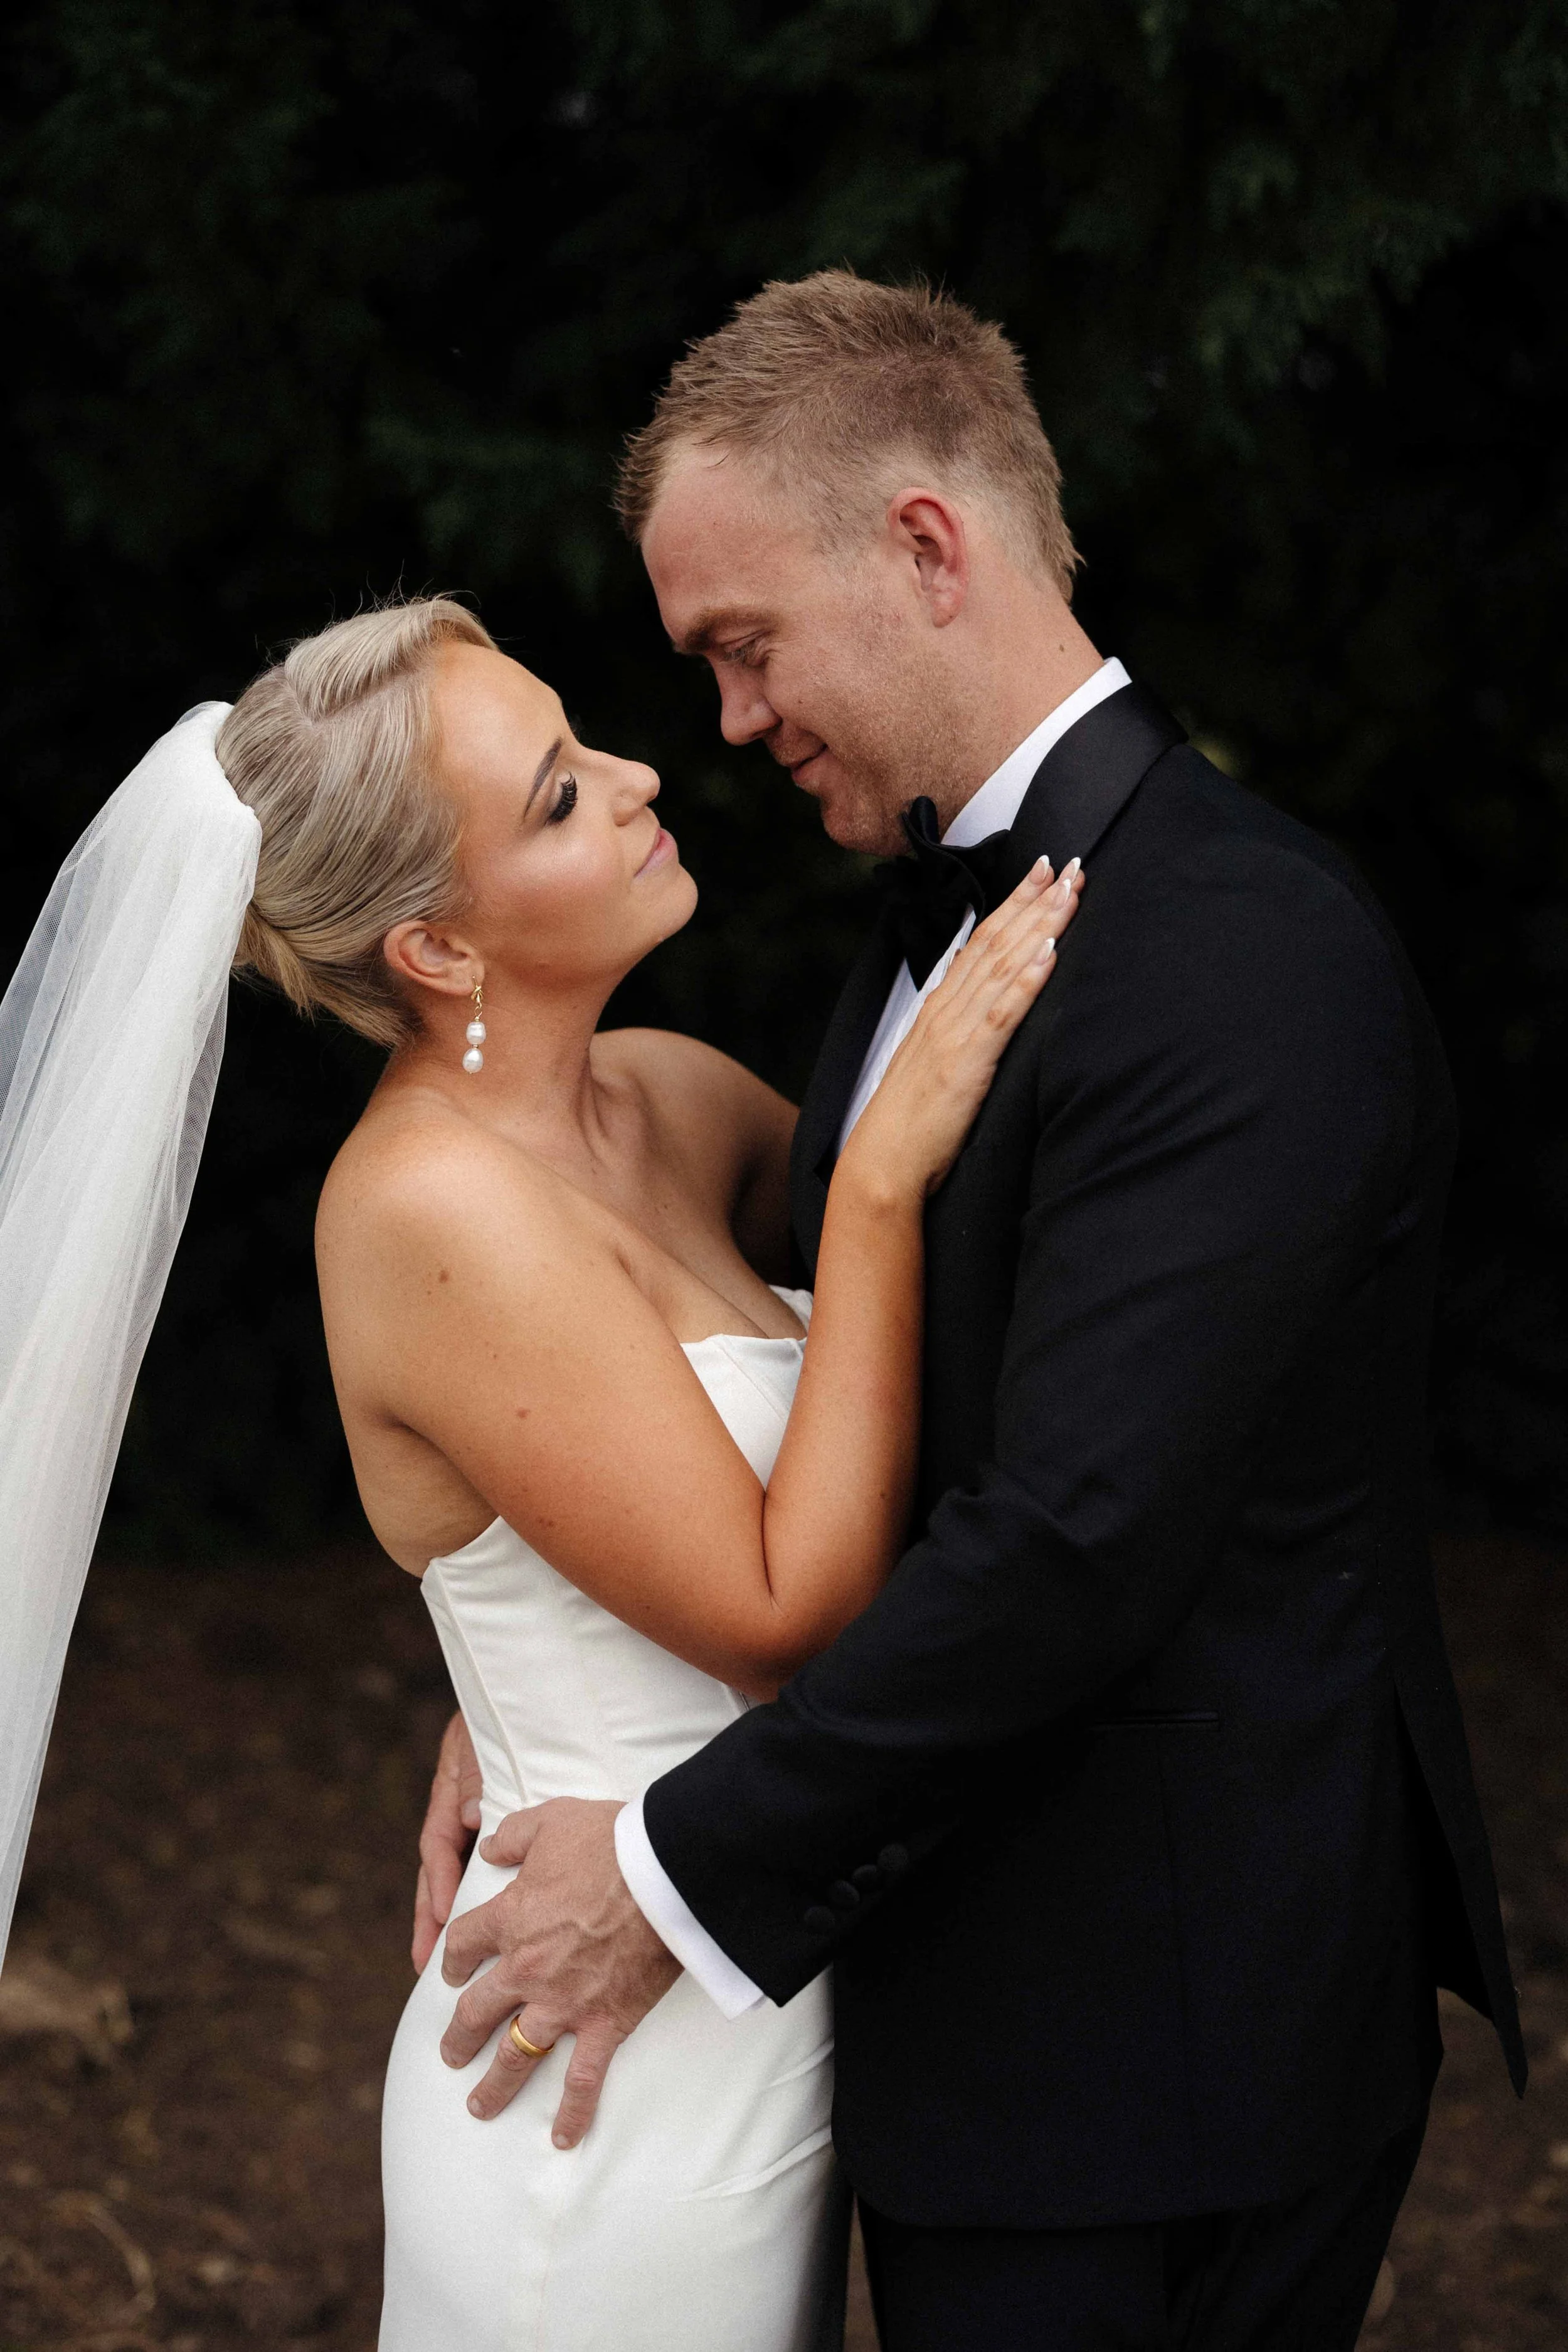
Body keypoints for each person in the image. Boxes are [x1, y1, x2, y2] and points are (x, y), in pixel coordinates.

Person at [418, 272, 1527, 2351]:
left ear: (923, 546)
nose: (727, 725)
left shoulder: (1234, 950)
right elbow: (796, 1365)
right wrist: (543, 1664)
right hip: (996, 2018)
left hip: (1163, 2044)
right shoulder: (946, 916)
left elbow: (1072, 1538)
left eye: (740, 648)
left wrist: (663, 1864)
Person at [225, 596, 1077, 2347]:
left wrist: (500, 1669)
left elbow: (930, 1354)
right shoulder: (424, 1209)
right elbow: (775, 1619)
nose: (635, 778)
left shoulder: (668, 1096)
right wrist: (867, 1190)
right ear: (436, 953)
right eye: (553, 799)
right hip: (601, 2096)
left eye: (583, 742)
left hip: (767, 1986)